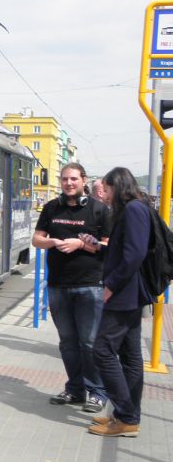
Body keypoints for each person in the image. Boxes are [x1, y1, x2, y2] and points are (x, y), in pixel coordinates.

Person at [32, 162, 112, 413]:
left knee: (89, 342)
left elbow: (108, 247)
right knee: (67, 342)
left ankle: (97, 392)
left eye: (74, 179)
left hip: (90, 286)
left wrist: (81, 245)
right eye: (65, 179)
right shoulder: (51, 207)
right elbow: (36, 239)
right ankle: (75, 389)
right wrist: (52, 241)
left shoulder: (100, 210)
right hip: (58, 286)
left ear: (83, 180)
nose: (69, 183)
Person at [84, 167, 152, 437]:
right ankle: (127, 415)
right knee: (130, 355)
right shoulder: (135, 209)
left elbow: (135, 254)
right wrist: (99, 246)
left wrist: (111, 285)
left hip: (124, 293)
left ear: (118, 186)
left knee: (102, 351)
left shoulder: (134, 210)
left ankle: (126, 415)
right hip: (129, 293)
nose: (105, 194)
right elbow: (125, 249)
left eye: (108, 189)